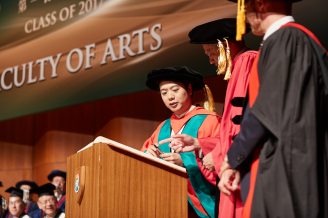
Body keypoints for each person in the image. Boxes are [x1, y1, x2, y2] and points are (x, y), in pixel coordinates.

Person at [217, 0, 328, 217]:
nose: (245, 16)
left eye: (245, 7)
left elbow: (265, 110)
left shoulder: (286, 39)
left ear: (260, 4)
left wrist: (234, 156)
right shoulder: (304, 41)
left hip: (286, 169)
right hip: (300, 163)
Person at [160, 19, 257, 218]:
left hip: (244, 171)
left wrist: (221, 155)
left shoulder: (247, 62)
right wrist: (199, 144)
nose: (211, 60)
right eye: (163, 92)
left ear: (224, 46)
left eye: (210, 53)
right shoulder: (238, 68)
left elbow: (248, 125)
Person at [141, 66, 221, 218]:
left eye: (175, 90)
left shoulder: (210, 121)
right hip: (165, 202)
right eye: (164, 93)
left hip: (201, 204)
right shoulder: (162, 128)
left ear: (189, 89)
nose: (170, 96)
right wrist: (147, 155)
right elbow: (141, 154)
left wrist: (185, 161)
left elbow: (223, 155)